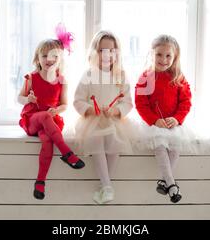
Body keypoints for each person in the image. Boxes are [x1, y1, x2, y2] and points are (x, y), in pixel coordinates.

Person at [18, 24, 85, 200]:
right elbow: (19, 98)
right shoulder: (31, 78)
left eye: (54, 56)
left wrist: (57, 110)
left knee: (47, 141)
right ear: (37, 58)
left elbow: (65, 105)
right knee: (45, 116)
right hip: (32, 119)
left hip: (50, 122)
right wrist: (28, 100)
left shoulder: (62, 81)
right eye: (44, 55)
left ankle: (40, 183)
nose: (49, 59)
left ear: (60, 59)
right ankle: (67, 153)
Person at [135, 35, 198, 204]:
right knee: (160, 145)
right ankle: (171, 184)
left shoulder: (178, 77)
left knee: (176, 144)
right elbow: (141, 104)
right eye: (159, 55)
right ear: (152, 55)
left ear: (175, 56)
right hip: (154, 123)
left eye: (168, 56)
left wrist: (177, 119)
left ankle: (165, 182)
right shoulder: (145, 77)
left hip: (173, 122)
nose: (163, 59)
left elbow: (186, 102)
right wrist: (154, 120)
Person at [73, 31, 134, 204]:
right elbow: (77, 100)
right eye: (102, 50)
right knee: (96, 140)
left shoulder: (120, 75)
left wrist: (116, 111)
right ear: (94, 52)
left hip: (114, 120)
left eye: (111, 50)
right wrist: (90, 110)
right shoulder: (88, 75)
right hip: (93, 120)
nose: (107, 55)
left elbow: (128, 102)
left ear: (117, 53)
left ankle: (106, 184)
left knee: (115, 142)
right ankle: (107, 186)